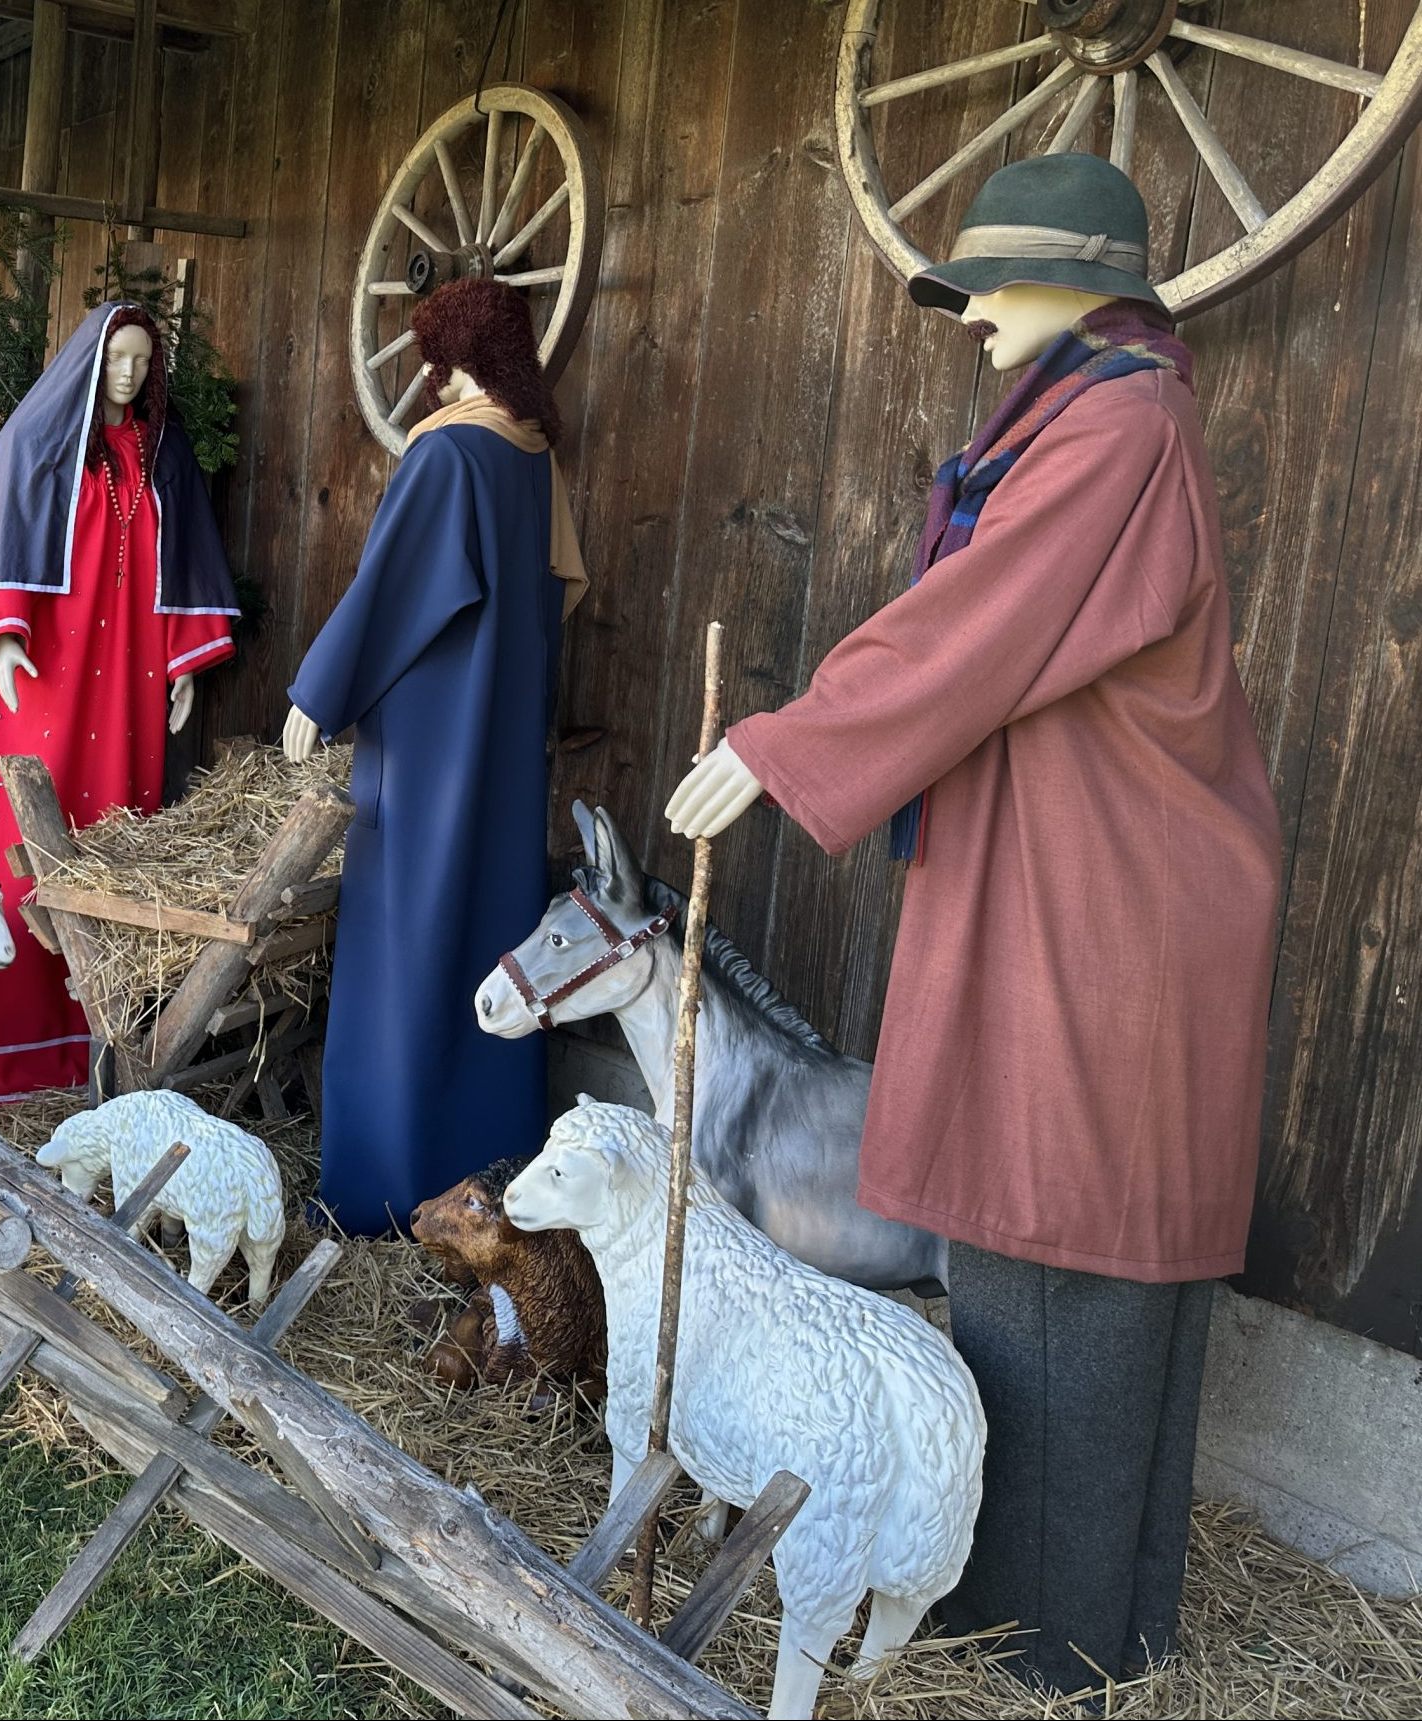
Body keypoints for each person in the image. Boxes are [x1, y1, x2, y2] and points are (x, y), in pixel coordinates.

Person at [666, 155, 1280, 1691]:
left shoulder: (1120, 426)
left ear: (1082, 288)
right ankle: (1040, 1610)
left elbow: (978, 621)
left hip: (1113, 908)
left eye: (991, 286)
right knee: (1027, 1230)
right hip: (1069, 885)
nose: (972, 316)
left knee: (1077, 1240)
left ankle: (1054, 1638)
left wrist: (782, 740)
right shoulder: (1095, 420)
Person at [284, 278, 588, 1234]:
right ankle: (491, 1173)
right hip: (502, 747)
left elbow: (394, 592)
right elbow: (561, 593)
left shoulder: (450, 454)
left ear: (464, 359)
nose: (432, 376)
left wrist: (317, 693)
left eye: (439, 356)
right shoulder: (536, 462)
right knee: (488, 932)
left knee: (404, 942)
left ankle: (386, 1188)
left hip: (426, 749)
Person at [0, 301, 239, 1102]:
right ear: (89, 359)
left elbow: (187, 558)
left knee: (115, 833)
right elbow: (3, 539)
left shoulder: (162, 450)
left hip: (131, 671)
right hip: (42, 671)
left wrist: (184, 664)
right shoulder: (38, 443)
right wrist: (0, 637)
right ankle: (15, 1048)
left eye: (142, 361)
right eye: (117, 358)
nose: (129, 374)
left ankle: (101, 1048)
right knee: (28, 843)